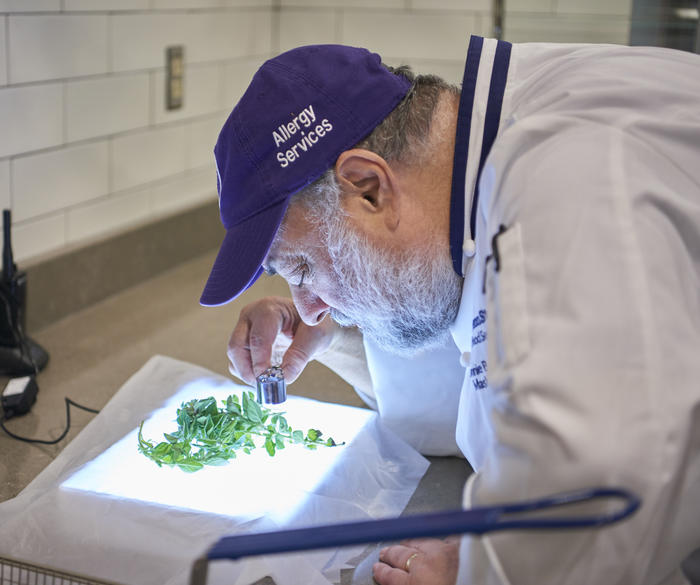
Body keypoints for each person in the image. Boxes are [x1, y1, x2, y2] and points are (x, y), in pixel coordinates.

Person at [200, 37, 700, 585]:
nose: (312, 309)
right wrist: (336, 340)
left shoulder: (562, 185)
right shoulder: (479, 203)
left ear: (368, 189)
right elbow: (470, 399)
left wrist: (477, 575)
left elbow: (598, 509)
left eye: (302, 270)